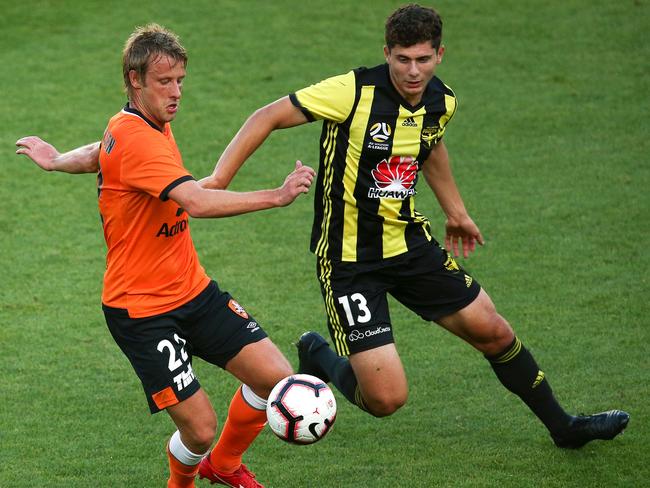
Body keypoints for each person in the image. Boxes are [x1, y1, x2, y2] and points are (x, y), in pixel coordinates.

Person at [198, 4, 630, 449]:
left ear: (439, 54)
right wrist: (218, 180)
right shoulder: (352, 91)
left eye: (423, 59)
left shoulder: (443, 101)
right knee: (385, 400)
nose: (412, 70)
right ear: (387, 52)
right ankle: (319, 355)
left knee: (494, 330)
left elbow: (431, 147)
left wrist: (456, 212)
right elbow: (266, 115)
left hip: (409, 245)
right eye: (402, 59)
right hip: (351, 263)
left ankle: (564, 427)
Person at [16, 24, 316, 488]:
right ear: (135, 81)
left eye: (180, 81)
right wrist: (276, 197)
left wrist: (58, 160)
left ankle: (226, 465)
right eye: (164, 82)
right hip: (141, 311)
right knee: (199, 428)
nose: (176, 93)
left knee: (275, 380)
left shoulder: (136, 125)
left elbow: (102, 152)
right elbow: (196, 203)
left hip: (192, 291)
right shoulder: (139, 139)